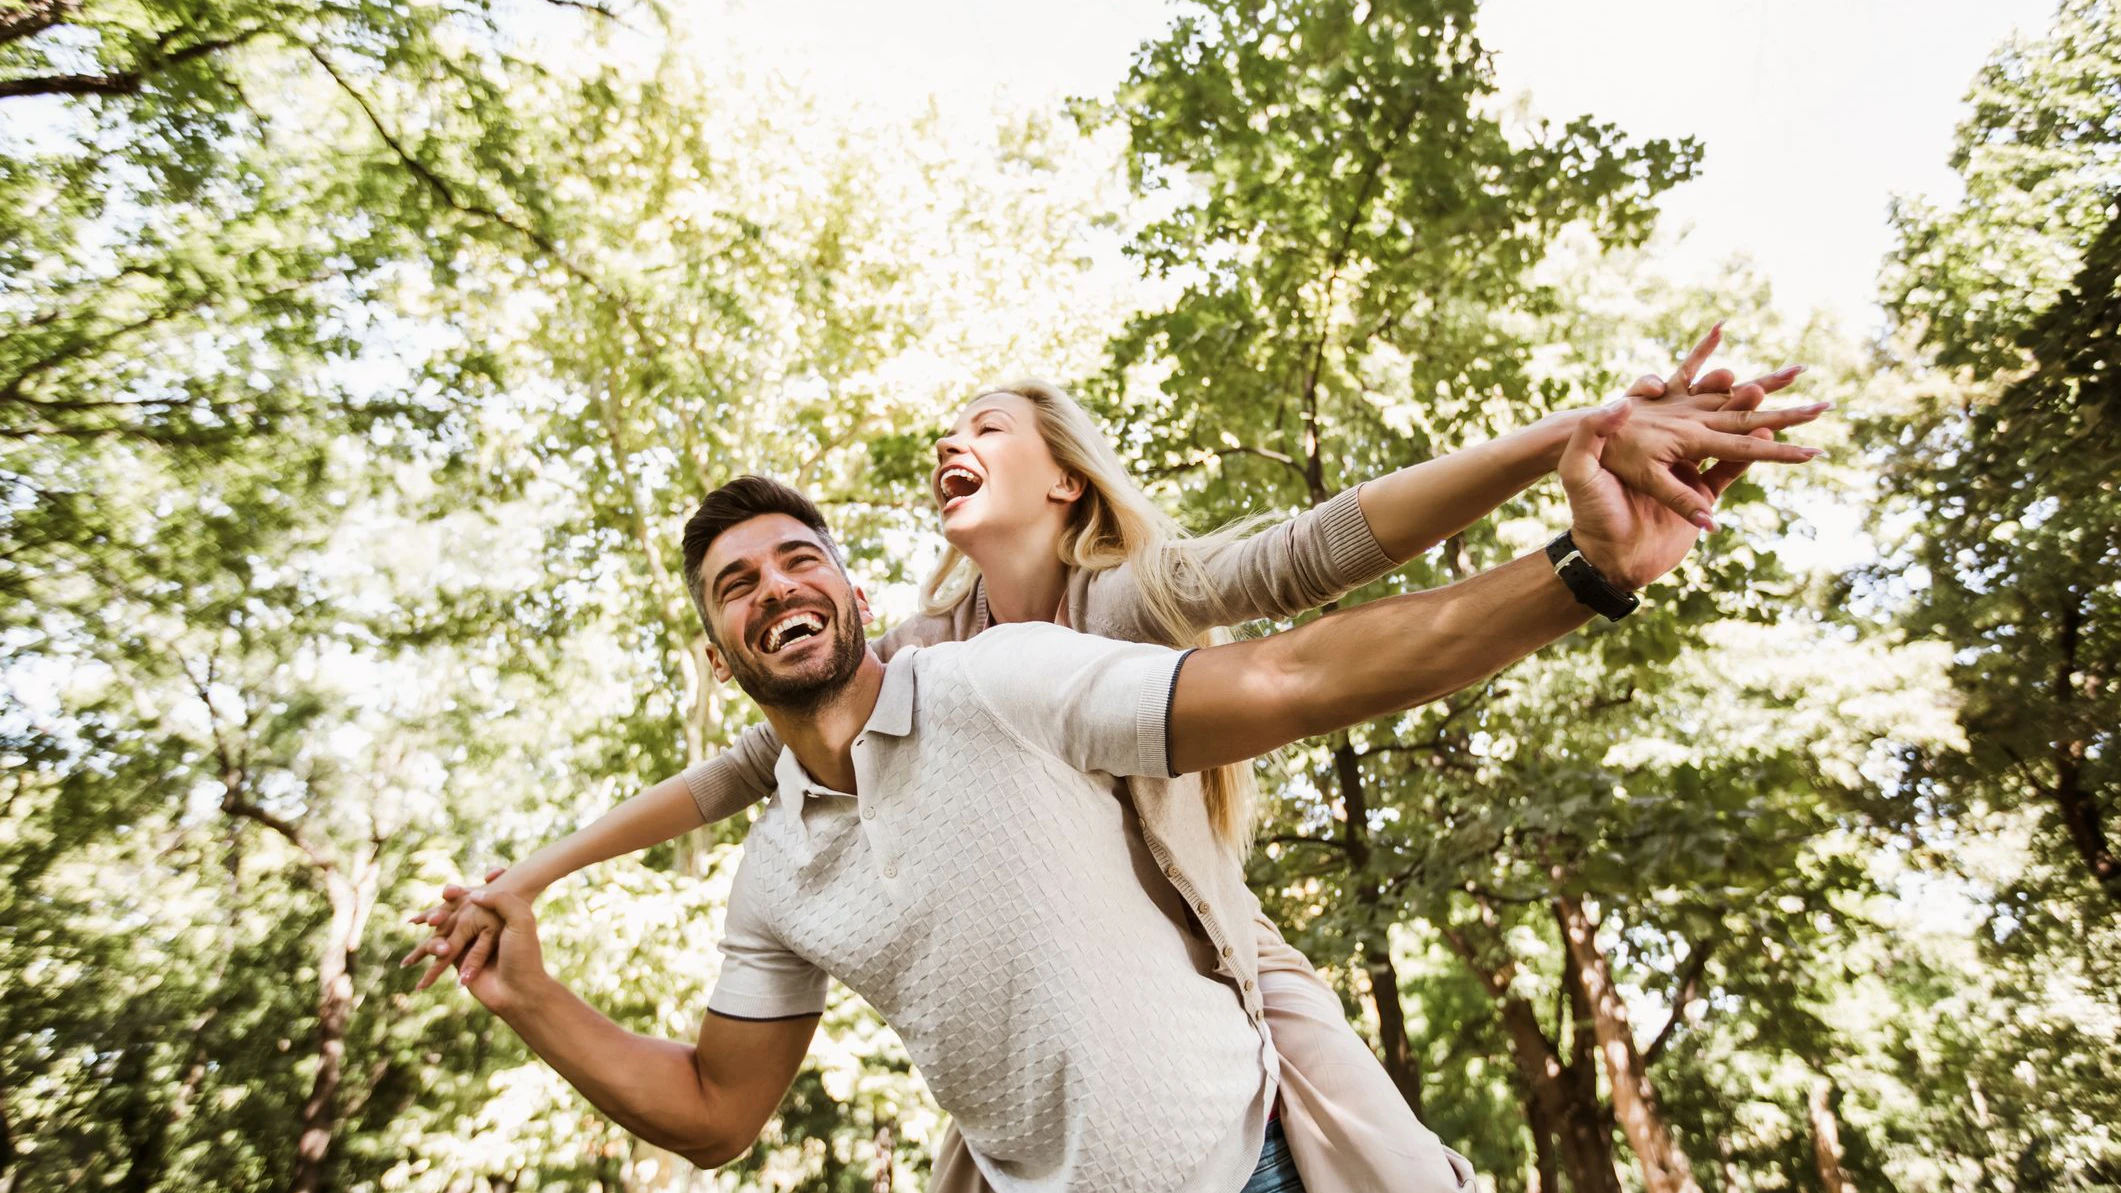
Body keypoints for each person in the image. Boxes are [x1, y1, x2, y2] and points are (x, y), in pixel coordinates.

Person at [409, 329, 1823, 1189]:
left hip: (1219, 980)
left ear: (1065, 475)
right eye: (739, 586)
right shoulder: (920, 651)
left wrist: (1575, 476)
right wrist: (529, 892)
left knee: (1369, 1148)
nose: (951, 443)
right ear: (721, 646)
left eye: (986, 426)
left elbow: (1314, 594)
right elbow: (735, 781)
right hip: (1041, 1097)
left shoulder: (1096, 620)